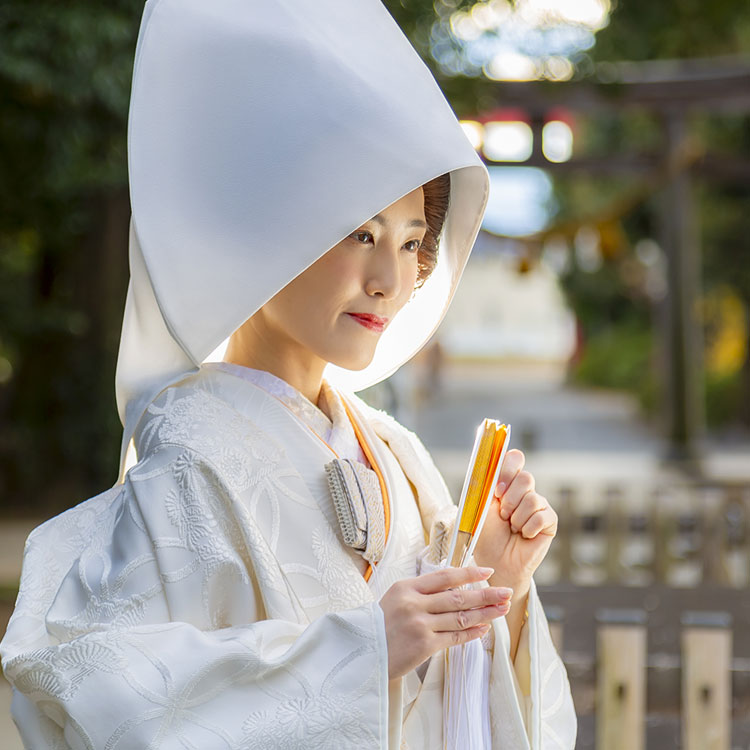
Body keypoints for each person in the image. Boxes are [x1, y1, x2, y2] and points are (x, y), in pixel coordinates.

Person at [0, 1, 577, 748]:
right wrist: (361, 654)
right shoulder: (186, 468)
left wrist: (494, 590)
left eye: (409, 243)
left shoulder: (396, 455)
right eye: (359, 235)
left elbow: (439, 708)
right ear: (263, 236)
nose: (389, 281)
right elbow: (109, 693)